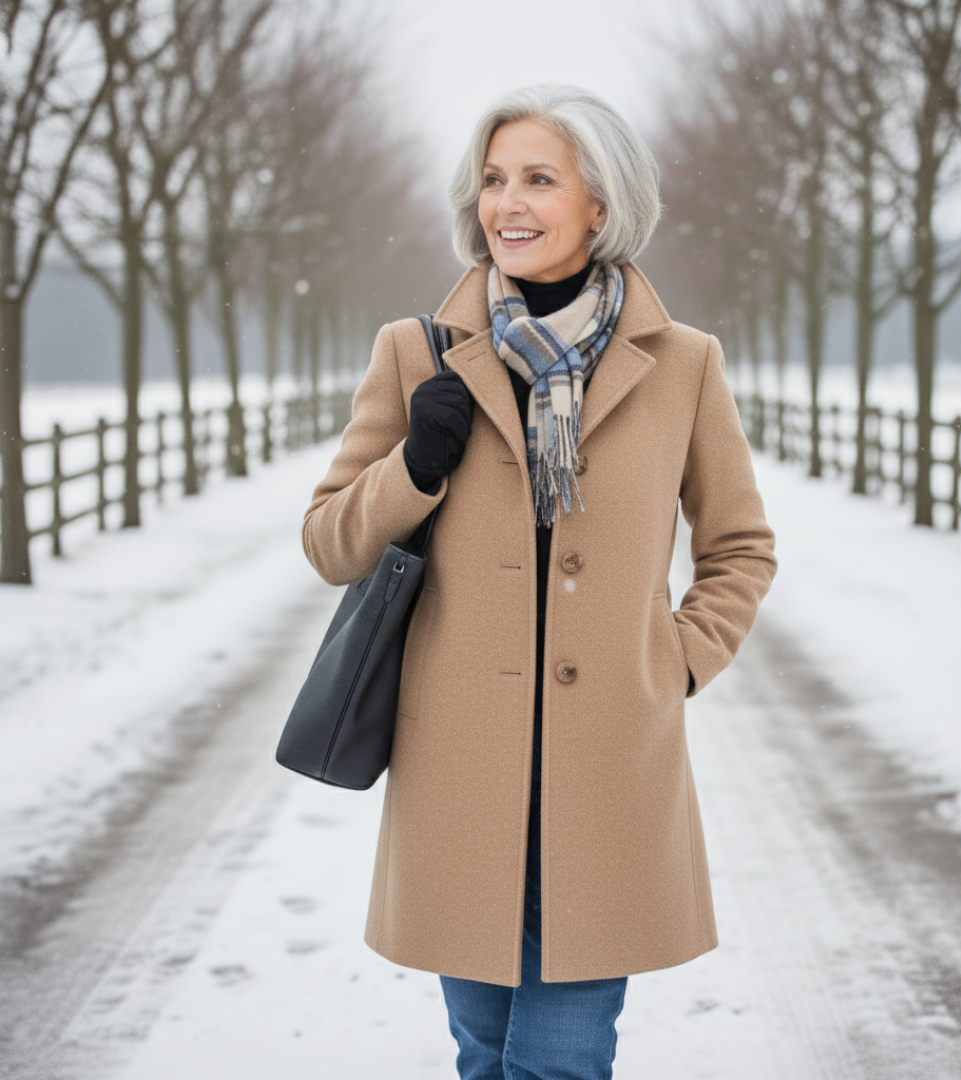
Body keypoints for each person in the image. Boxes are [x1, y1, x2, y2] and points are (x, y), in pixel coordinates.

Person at [302, 84, 777, 1080]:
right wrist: (415, 469)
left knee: (558, 1061)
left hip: (610, 770)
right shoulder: (416, 353)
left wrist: (674, 664)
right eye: (491, 179)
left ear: (599, 204)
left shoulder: (682, 364)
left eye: (537, 179)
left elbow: (739, 548)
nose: (505, 203)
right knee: (484, 1055)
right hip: (460, 779)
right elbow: (330, 544)